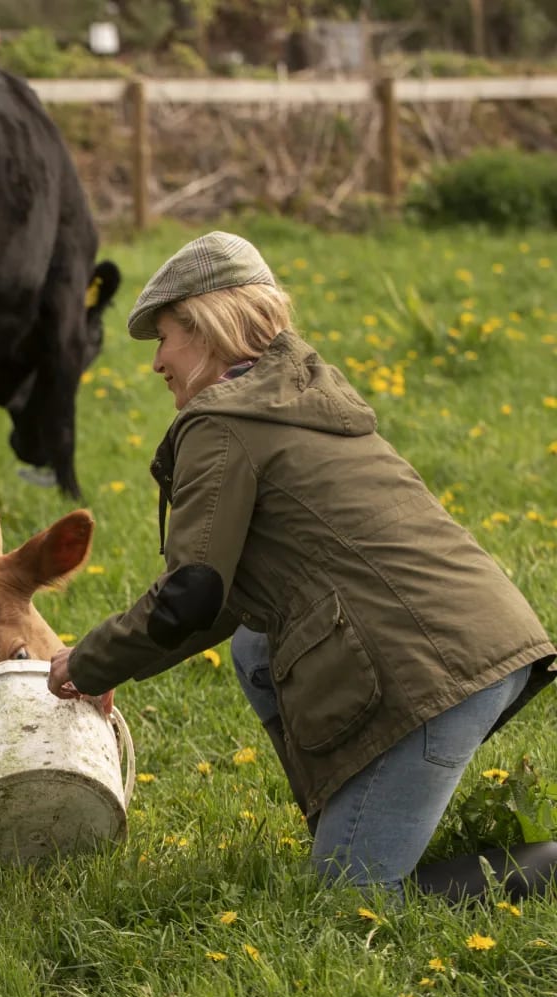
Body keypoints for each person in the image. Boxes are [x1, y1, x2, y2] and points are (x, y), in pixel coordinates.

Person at [47, 230, 557, 902]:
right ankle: (360, 813)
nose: (158, 361)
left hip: (433, 674)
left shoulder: (223, 423)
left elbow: (189, 594)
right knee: (257, 645)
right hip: (481, 645)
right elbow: (224, 602)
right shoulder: (293, 395)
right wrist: (109, 665)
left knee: (351, 899)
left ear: (207, 325)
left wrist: (85, 664)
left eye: (165, 336)